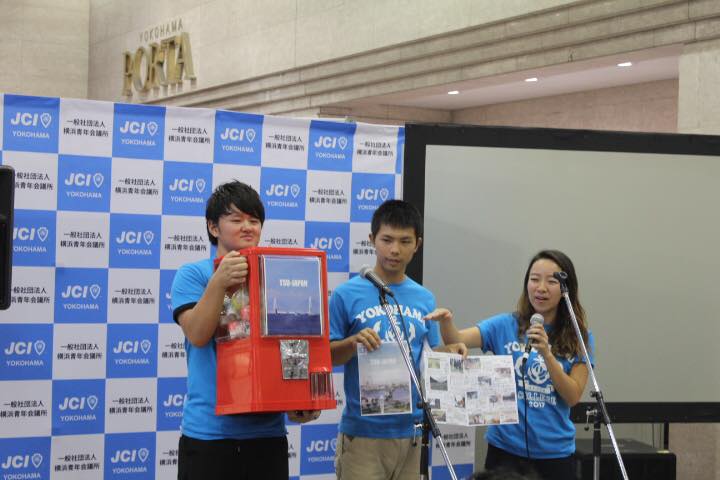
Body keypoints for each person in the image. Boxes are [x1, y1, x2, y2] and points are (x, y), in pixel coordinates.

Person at [171, 181, 318, 480]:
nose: (248, 227)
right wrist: (219, 281)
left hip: (267, 434)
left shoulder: (276, 273)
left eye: (254, 220)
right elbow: (197, 334)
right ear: (213, 227)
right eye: (236, 220)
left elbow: (292, 340)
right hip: (209, 434)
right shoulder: (193, 274)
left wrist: (300, 399)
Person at [329, 199, 467, 480]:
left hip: (412, 431)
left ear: (417, 244)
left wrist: (452, 352)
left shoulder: (424, 297)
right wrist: (353, 343)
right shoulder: (345, 294)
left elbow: (429, 358)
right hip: (363, 434)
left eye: (405, 241)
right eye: (387, 240)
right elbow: (327, 356)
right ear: (372, 239)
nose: (395, 250)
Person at [427, 249, 593, 480]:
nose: (541, 288)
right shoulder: (505, 325)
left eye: (551, 281)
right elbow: (457, 339)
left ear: (566, 289)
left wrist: (547, 354)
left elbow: (573, 396)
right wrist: (447, 322)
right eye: (534, 279)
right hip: (505, 450)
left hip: (555, 453)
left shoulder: (578, 337)